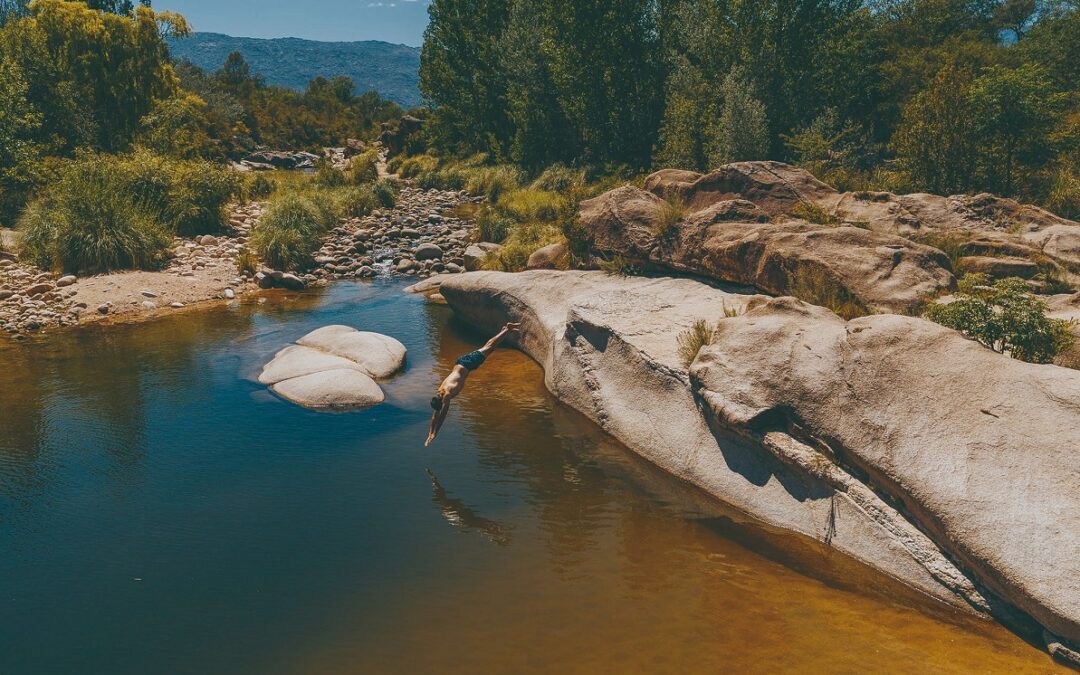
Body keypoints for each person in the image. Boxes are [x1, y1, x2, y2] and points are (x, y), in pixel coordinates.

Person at [426, 322, 520, 446]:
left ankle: (506, 329)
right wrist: (429, 434)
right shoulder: (440, 393)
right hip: (461, 363)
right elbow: (435, 416)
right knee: (489, 348)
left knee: (488, 347)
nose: (439, 410)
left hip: (467, 364)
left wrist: (435, 433)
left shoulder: (447, 395)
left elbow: (442, 415)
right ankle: (505, 330)